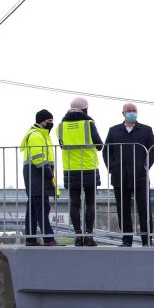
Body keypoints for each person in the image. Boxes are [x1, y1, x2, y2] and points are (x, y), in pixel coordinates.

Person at [104, 102, 154, 247]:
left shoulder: (146, 130)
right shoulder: (114, 131)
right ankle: (126, 239)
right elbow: (106, 151)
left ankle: (147, 240)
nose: (131, 113)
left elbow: (153, 150)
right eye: (129, 111)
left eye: (134, 110)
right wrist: (112, 167)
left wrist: (146, 166)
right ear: (123, 113)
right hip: (119, 176)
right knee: (123, 209)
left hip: (140, 176)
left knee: (144, 209)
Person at [57, 97, 103, 246]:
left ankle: (78, 235)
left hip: (70, 168)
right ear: (85, 109)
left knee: (74, 203)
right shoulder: (88, 123)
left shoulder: (61, 126)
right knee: (90, 202)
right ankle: (88, 235)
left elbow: (62, 145)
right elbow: (99, 145)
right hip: (88, 166)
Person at [21, 110, 59, 247]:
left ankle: (30, 239)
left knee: (32, 208)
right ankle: (49, 239)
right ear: (42, 121)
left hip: (34, 175)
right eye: (49, 121)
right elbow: (38, 159)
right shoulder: (37, 135)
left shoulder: (38, 134)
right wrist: (48, 173)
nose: (51, 124)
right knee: (42, 208)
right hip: (38, 175)